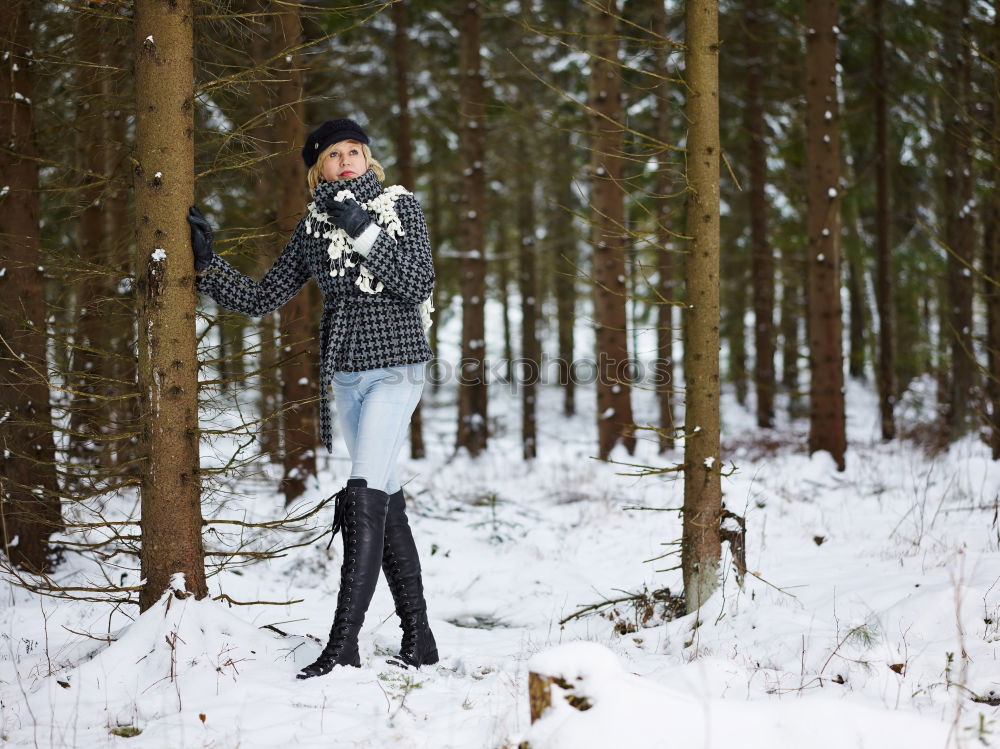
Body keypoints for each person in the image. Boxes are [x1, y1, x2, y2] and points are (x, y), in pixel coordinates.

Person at [187, 118, 438, 679]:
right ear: (317, 170)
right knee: (385, 497)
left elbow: (417, 282)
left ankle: (342, 643)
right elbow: (260, 297)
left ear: (369, 159)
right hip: (346, 378)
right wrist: (207, 264)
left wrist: (362, 227)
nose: (346, 160)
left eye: (355, 151)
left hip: (397, 369)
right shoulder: (314, 227)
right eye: (333, 155)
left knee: (362, 493)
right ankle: (419, 639)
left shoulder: (400, 207)